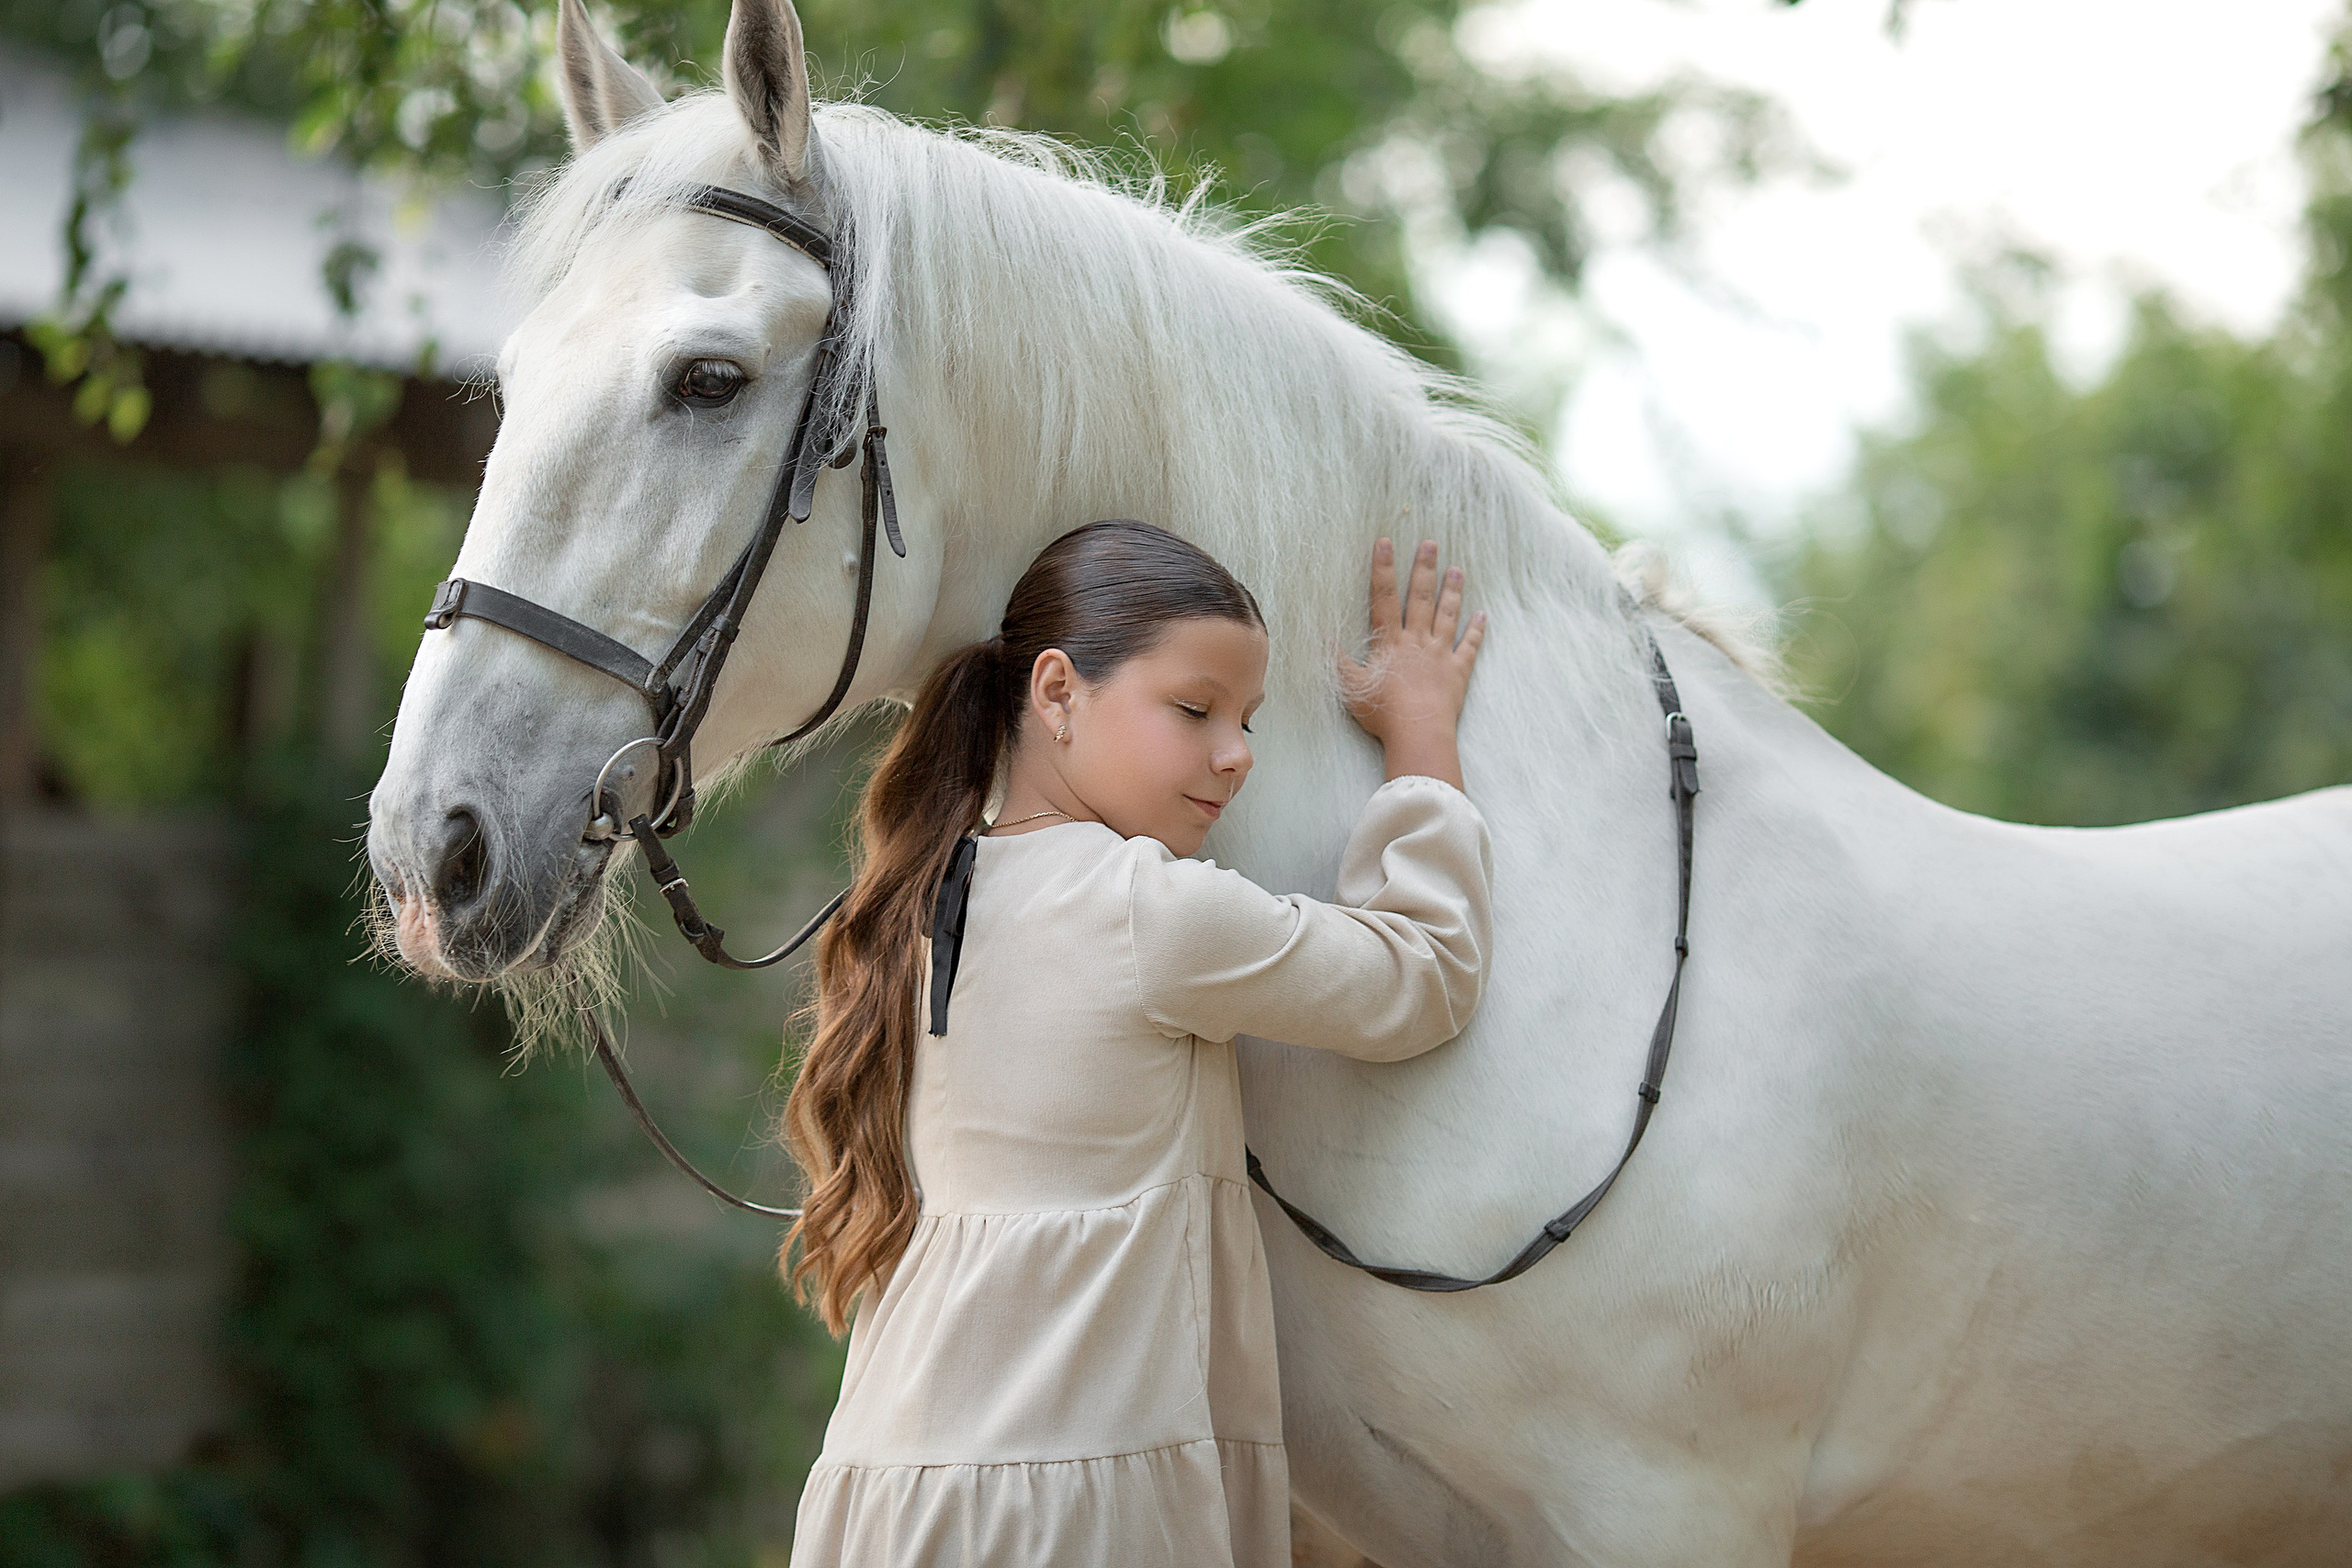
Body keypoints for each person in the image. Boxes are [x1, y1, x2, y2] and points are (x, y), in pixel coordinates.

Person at [784, 519, 1493, 1568]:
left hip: (886, 1490)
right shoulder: (1150, 910)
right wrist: (1422, 735)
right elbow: (1421, 976)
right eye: (1195, 710)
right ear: (1058, 692)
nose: (1237, 752)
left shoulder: (920, 897)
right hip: (1071, 1510)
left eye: (1247, 719)